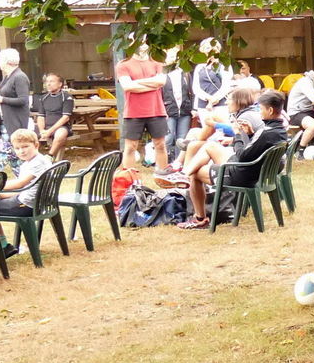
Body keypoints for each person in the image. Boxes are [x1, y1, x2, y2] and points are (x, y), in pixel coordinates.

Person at [175, 89, 289, 230]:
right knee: (210, 146)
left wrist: (237, 134)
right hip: (253, 170)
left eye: (261, 109)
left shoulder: (266, 133)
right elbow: (255, 148)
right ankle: (183, 174)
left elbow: (242, 156)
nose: (259, 112)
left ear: (270, 110)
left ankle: (200, 218)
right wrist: (250, 134)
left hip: (242, 174)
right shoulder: (279, 130)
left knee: (195, 174)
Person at [115, 42, 169, 172]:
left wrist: (136, 83)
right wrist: (152, 84)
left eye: (145, 42)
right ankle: (129, 178)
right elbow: (128, 86)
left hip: (156, 110)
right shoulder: (123, 65)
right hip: (133, 112)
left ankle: (163, 175)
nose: (142, 45)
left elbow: (161, 81)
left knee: (160, 145)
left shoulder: (157, 62)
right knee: (130, 147)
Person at [0, 127, 54, 217]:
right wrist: (0, 194)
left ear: (36, 145)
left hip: (28, 205)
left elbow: (20, 184)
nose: (21, 151)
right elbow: (24, 189)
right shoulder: (36, 160)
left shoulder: (37, 163)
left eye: (25, 147)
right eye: (17, 148)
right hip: (34, 201)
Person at [32, 72, 76, 159]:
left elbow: (65, 118)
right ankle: (31, 157)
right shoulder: (43, 98)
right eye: (47, 82)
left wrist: (50, 131)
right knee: (27, 133)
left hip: (61, 127)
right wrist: (42, 130)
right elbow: (41, 116)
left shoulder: (67, 97)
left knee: (60, 134)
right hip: (45, 127)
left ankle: (50, 156)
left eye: (52, 81)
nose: (48, 84)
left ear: (60, 84)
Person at [161, 49, 195, 159]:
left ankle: (178, 163)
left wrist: (193, 108)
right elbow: (159, 94)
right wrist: (161, 110)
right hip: (168, 110)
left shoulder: (185, 73)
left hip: (185, 110)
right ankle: (164, 162)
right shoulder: (162, 74)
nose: (173, 59)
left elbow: (192, 91)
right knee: (168, 138)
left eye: (175, 57)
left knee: (182, 139)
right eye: (170, 57)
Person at [0, 48, 32, 138]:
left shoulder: (19, 77)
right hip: (7, 118)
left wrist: (2, 99)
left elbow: (23, 100)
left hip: (17, 119)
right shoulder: (8, 76)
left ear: (6, 62)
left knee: (17, 143)